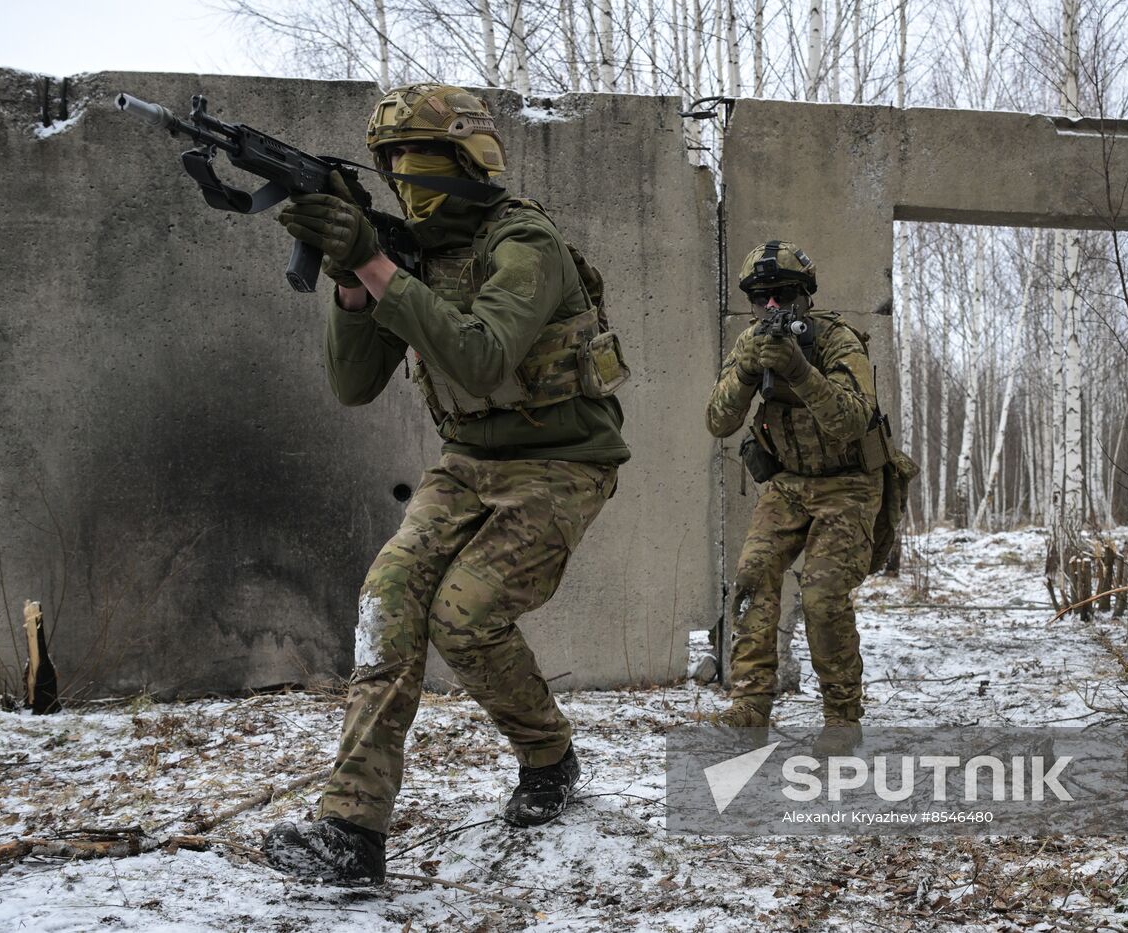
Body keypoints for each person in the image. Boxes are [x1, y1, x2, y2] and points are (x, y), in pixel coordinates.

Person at [262, 83, 631, 883]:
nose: (403, 175)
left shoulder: (524, 240)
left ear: (469, 158)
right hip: (467, 460)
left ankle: (548, 757)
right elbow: (353, 383)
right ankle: (350, 831)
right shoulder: (412, 256)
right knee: (387, 598)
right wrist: (354, 287)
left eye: (419, 158)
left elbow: (482, 354)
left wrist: (373, 259)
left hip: (563, 461)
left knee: (465, 615)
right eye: (390, 162)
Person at [704, 241, 888, 735]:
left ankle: (842, 716)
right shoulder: (749, 344)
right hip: (788, 483)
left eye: (782, 295)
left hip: (847, 484)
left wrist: (799, 371)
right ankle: (750, 705)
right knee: (752, 578)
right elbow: (719, 421)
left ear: (804, 296)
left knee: (823, 596)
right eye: (759, 297)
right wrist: (746, 368)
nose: (770, 308)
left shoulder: (836, 341)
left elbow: (851, 421)